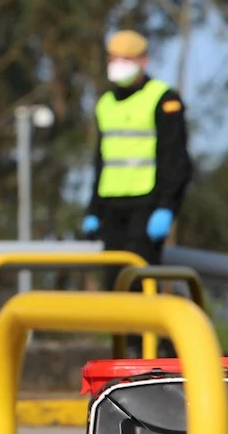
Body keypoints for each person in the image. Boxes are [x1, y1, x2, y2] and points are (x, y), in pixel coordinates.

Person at [82, 29, 193, 356]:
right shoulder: (105, 103)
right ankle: (128, 353)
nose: (117, 66)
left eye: (125, 59)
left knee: (141, 283)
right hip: (113, 208)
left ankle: (156, 351)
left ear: (143, 61)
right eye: (113, 59)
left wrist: (167, 208)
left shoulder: (163, 99)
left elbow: (177, 160)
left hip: (148, 206)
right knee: (115, 286)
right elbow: (101, 162)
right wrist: (92, 211)